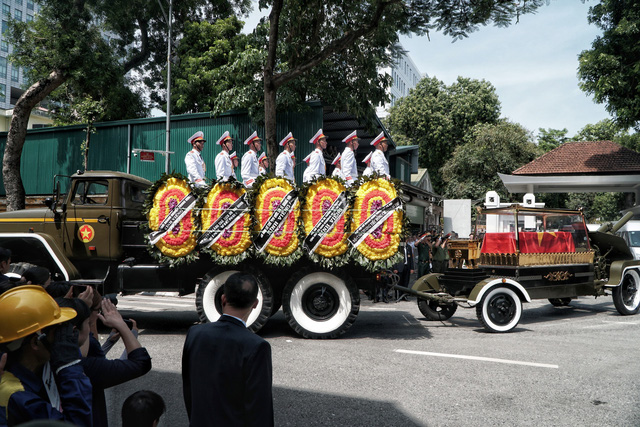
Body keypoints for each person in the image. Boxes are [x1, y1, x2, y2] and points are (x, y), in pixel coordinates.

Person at [182, 272, 274, 427]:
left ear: (223, 298)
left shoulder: (195, 334)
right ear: (255, 304)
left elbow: (189, 389)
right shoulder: (256, 346)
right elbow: (259, 407)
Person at [0, 285, 92, 426]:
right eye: (57, 331)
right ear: (36, 342)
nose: (63, 338)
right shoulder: (18, 395)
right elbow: (77, 423)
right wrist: (69, 366)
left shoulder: (36, 371)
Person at [82, 293, 152, 427]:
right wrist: (123, 327)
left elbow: (94, 357)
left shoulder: (57, 357)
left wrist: (109, 341)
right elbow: (139, 362)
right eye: (97, 311)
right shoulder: (83, 368)